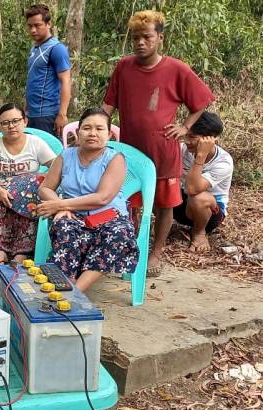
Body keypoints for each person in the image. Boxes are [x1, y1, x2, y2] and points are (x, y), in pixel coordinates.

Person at [102, 10, 214, 277]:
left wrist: (185, 127)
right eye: (136, 38)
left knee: (164, 204)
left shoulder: (177, 69)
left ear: (160, 38)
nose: (141, 43)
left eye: (147, 37)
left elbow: (201, 101)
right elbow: (108, 104)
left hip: (163, 151)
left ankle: (157, 252)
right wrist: (99, 128)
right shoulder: (124, 67)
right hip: (129, 149)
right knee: (129, 200)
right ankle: (128, 248)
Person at [37, 108, 139, 293]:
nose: (92, 133)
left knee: (119, 235)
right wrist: (61, 209)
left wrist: (60, 204)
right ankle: (64, 282)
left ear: (108, 135)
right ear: (77, 133)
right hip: (73, 215)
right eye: (87, 128)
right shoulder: (65, 156)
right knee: (63, 227)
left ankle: (75, 292)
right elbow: (45, 188)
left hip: (109, 217)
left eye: (99, 129)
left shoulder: (115, 159)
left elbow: (103, 198)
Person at [0, 103, 56, 267]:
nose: (11, 126)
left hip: (28, 195)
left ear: (25, 121)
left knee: (33, 193)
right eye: (5, 123)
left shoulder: (35, 143)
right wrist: (0, 190)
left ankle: (21, 253)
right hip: (1, 193)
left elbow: (57, 166)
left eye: (15, 121)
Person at [175, 112, 233, 252]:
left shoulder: (224, 162)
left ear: (210, 140)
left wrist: (200, 156)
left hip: (209, 214)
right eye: (186, 135)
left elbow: (192, 189)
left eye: (192, 137)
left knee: (199, 197)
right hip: (182, 206)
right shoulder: (182, 149)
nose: (187, 141)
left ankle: (199, 232)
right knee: (160, 185)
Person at [24, 4, 71, 137]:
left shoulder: (56, 48)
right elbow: (33, 79)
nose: (33, 30)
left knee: (50, 156)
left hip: (47, 114)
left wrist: (62, 114)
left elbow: (66, 81)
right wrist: (26, 110)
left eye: (37, 25)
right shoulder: (34, 49)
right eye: (30, 26)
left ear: (48, 24)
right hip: (32, 115)